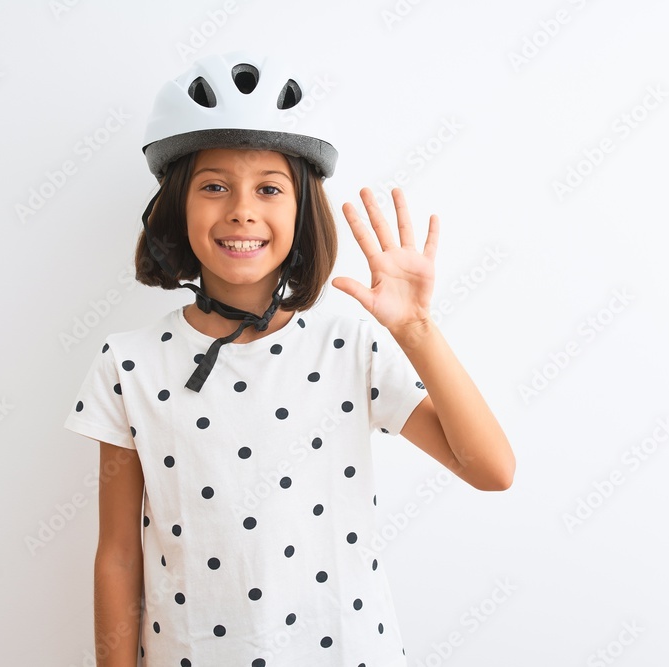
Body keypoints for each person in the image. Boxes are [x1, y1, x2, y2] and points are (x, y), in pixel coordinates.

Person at [63, 51, 515, 667]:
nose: (242, 209)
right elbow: (118, 556)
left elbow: (491, 469)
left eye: (269, 188)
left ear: (302, 211)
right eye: (214, 186)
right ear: (176, 206)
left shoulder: (348, 347)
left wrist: (416, 330)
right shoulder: (129, 364)